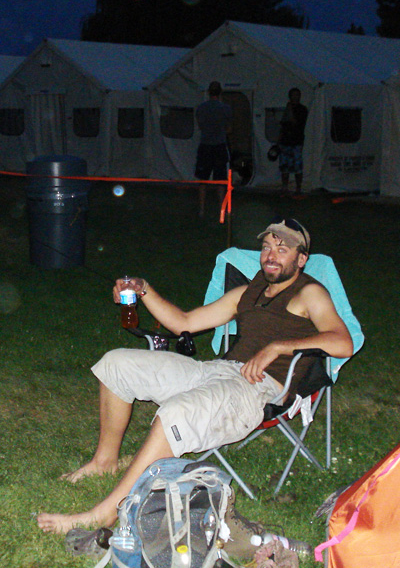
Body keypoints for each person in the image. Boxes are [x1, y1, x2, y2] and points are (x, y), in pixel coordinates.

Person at [37, 218, 353, 535]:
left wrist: (279, 346)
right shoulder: (249, 290)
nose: (271, 255)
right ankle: (104, 460)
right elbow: (183, 322)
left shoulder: (310, 292)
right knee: (116, 363)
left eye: (282, 249)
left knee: (176, 413)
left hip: (257, 389)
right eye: (267, 247)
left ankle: (107, 513)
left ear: (301, 259)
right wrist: (142, 289)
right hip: (217, 370)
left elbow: (343, 342)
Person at [195, 81, 232, 217]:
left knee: (203, 180)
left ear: (209, 92)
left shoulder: (201, 108)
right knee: (221, 180)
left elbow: (200, 126)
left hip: (205, 146)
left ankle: (202, 210)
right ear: (220, 92)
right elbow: (229, 128)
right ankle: (222, 210)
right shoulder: (226, 108)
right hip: (219, 147)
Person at [278, 88, 308, 197]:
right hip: (285, 142)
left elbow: (295, 122)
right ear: (290, 96)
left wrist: (290, 109)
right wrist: (279, 141)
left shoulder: (302, 110)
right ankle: (284, 188)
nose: (295, 97)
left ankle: (298, 188)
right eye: (293, 95)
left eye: (297, 95)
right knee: (284, 166)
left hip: (296, 142)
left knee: (297, 167)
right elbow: (283, 124)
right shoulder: (287, 109)